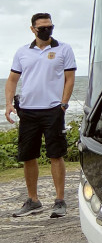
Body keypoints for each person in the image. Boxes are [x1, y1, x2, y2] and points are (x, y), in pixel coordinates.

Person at [4, 13, 76, 218]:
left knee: (56, 154)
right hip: (27, 111)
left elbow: (70, 79)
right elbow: (11, 80)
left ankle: (60, 201)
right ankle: (33, 200)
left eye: (50, 27)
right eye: (42, 28)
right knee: (28, 156)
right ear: (33, 29)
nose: (47, 31)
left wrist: (63, 104)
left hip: (53, 110)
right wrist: (9, 103)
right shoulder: (22, 52)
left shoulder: (64, 49)